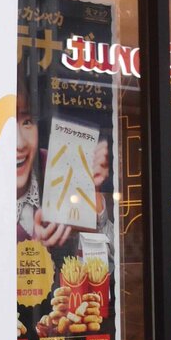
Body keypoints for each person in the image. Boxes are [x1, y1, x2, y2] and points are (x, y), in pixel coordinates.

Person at [16, 60, 111, 246]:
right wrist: (37, 244)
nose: (19, 143)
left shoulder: (57, 164)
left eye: (27, 122)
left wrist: (94, 198)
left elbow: (108, 252)